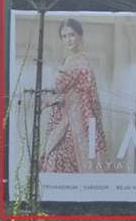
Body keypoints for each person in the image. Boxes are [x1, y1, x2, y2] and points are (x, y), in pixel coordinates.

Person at [41, 19, 107, 173]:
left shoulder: (83, 63)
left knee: (63, 159)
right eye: (64, 36)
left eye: (71, 35)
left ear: (80, 36)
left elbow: (89, 97)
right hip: (60, 116)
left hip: (75, 122)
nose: (68, 39)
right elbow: (58, 92)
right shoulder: (66, 61)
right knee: (53, 158)